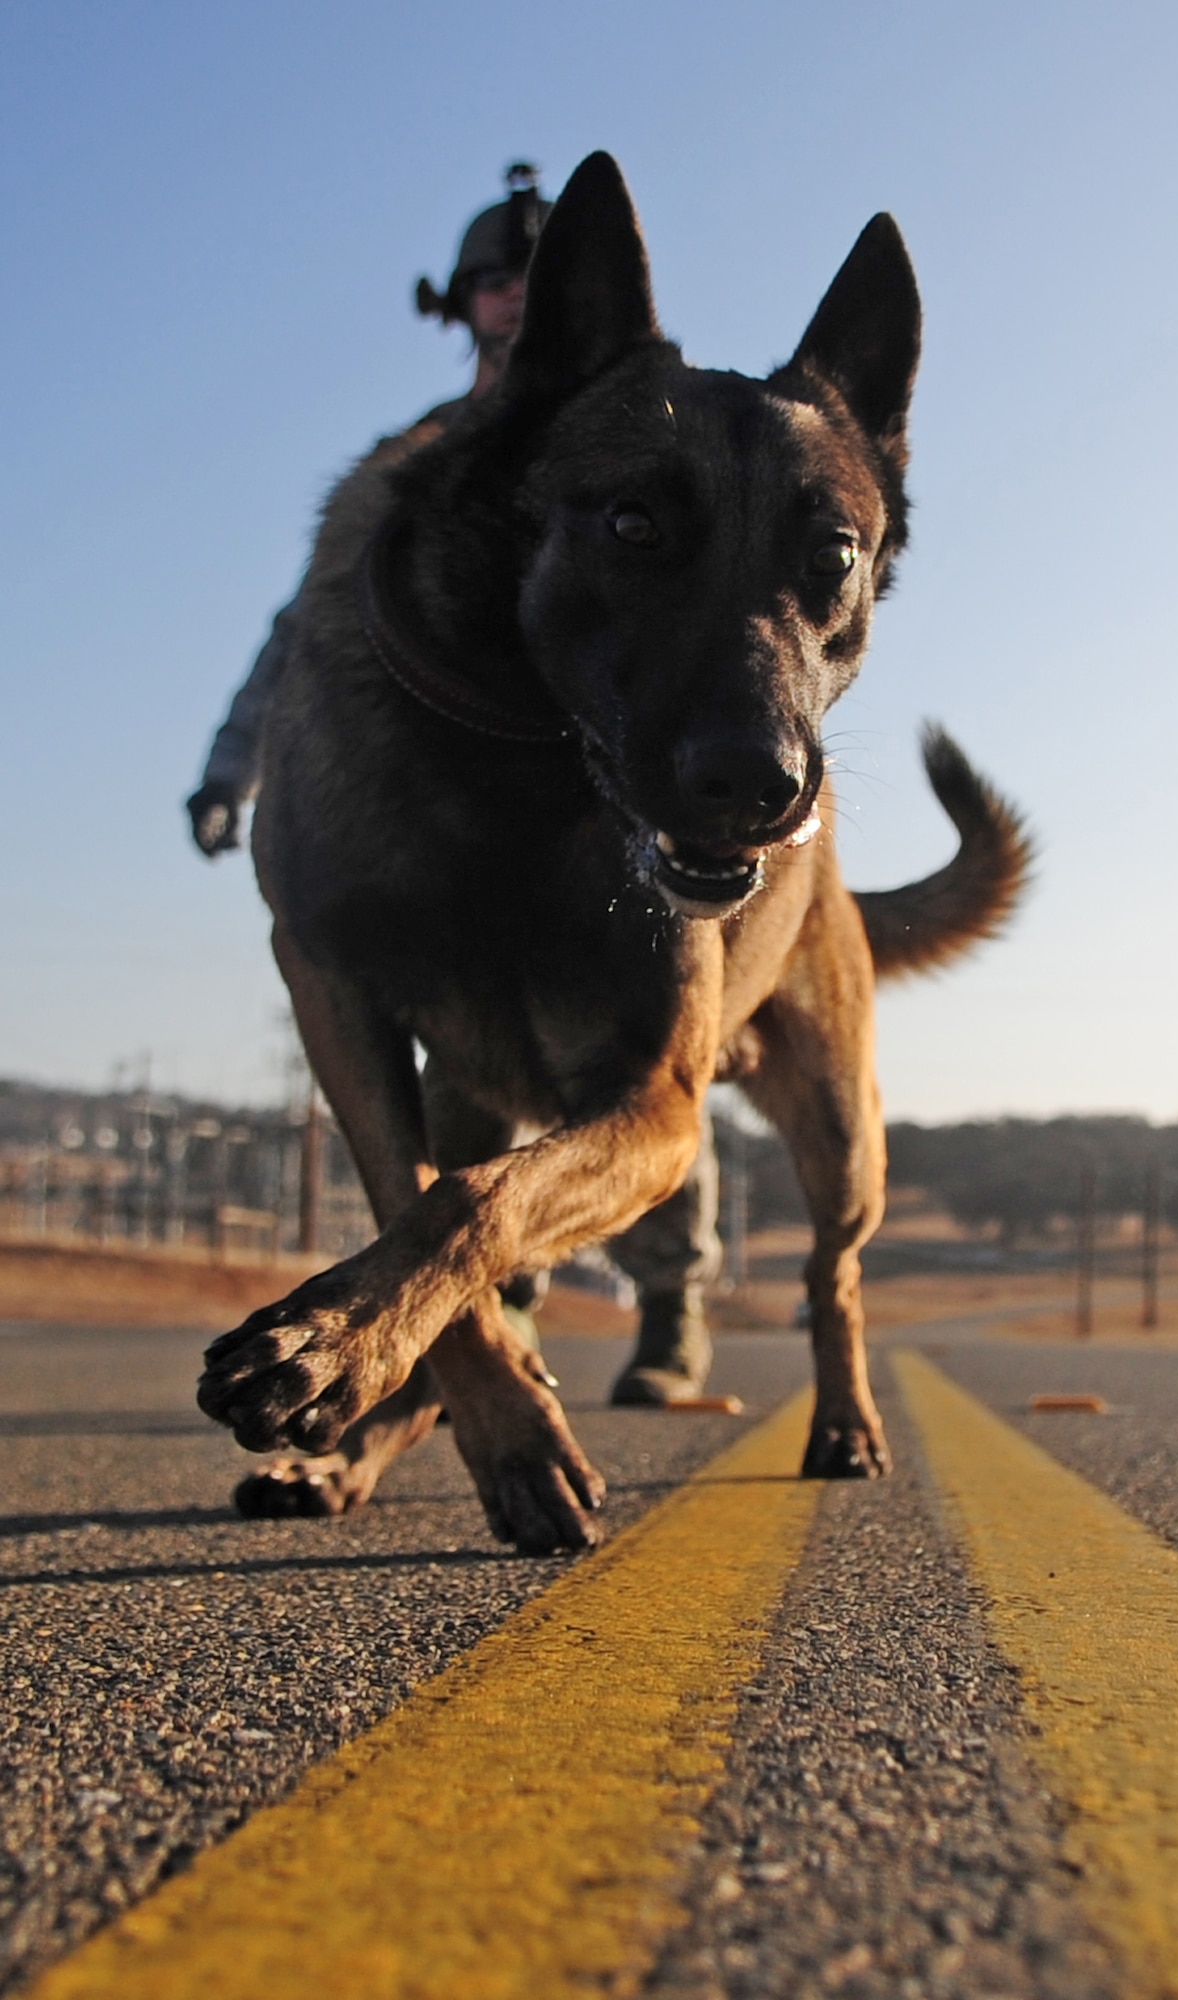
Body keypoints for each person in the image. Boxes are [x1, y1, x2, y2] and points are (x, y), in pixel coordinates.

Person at [185, 163, 721, 1405]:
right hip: (464, 820)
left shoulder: (657, 444)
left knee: (644, 1068)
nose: (515, 300)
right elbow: (311, 636)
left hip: (604, 808)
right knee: (474, 1073)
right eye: (496, 281)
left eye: (537, 281)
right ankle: (481, 1315)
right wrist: (234, 767)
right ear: (463, 303)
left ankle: (673, 1297)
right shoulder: (419, 463)